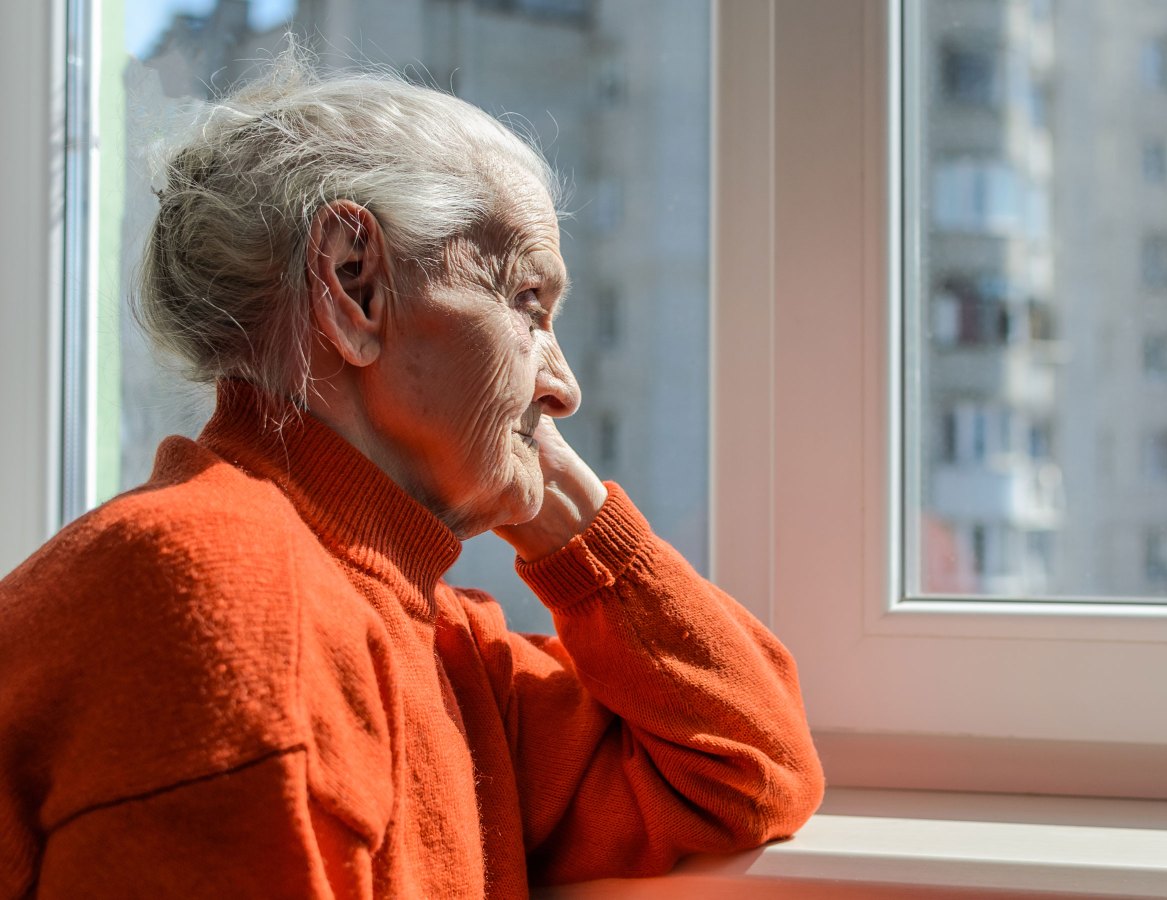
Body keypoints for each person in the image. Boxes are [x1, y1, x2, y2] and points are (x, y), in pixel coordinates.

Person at [0, 56, 823, 899]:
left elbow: (747, 771)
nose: (565, 388)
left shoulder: (438, 646)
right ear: (352, 283)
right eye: (528, 303)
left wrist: (558, 500)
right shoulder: (230, 596)